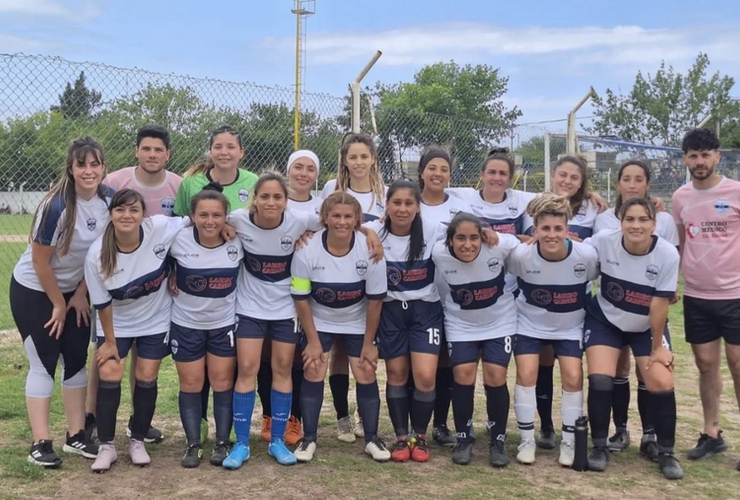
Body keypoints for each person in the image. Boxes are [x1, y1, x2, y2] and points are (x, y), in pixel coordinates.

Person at [10, 137, 111, 467]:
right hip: (35, 289)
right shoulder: (56, 205)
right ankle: (40, 442)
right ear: (71, 168)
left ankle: (76, 436)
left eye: (95, 164)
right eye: (81, 164)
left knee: (75, 357)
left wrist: (80, 294)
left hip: (74, 291)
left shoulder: (109, 201)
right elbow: (41, 262)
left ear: (103, 167)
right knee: (44, 359)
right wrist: (58, 303)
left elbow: (96, 257)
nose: (88, 171)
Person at [85, 124, 180, 444]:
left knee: (145, 361)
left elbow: (187, 226)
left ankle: (138, 424)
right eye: (146, 149)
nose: (152, 155)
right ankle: (93, 418)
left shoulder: (178, 186)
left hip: (152, 279)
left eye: (158, 150)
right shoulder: (114, 182)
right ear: (137, 151)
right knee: (106, 354)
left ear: (167, 154)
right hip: (115, 270)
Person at [84, 189, 189, 472]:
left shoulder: (160, 227)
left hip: (154, 320)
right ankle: (107, 446)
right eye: (120, 210)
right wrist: (109, 342)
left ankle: (137, 440)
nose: (127, 215)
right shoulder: (97, 254)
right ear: (111, 215)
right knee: (110, 371)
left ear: (144, 214)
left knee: (146, 375)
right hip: (115, 323)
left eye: (134, 210)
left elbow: (195, 220)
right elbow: (102, 304)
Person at [583, 198, 682, 479]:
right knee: (601, 377)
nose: (636, 225)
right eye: (630, 219)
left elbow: (659, 304)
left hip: (646, 325)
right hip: (606, 319)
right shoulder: (604, 241)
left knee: (660, 380)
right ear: (621, 222)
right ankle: (600, 446)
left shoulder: (666, 254)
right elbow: (576, 254)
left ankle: (665, 451)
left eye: (643, 220)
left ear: (654, 224)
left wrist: (656, 349)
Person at [291, 191, 390, 462]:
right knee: (313, 367)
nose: (342, 222)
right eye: (336, 215)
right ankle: (308, 438)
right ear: (325, 218)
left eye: (348, 216)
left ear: (358, 220)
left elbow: (375, 302)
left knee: (366, 371)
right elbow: (301, 299)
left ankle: (371, 438)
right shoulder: (306, 249)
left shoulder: (370, 249)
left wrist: (369, 344)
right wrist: (312, 342)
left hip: (357, 321)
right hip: (319, 319)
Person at [174, 125, 258, 441]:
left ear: (241, 152)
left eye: (230, 146)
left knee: (224, 375)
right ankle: (196, 437)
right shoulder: (190, 183)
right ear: (210, 151)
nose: (224, 152)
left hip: (231, 292)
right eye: (218, 146)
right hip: (191, 299)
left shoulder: (252, 183)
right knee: (195, 378)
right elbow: (180, 227)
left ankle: (223, 437)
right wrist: (173, 272)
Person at [506, 192, 598, 466]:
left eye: (558, 229)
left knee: (572, 376)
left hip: (569, 326)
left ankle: (569, 442)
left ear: (567, 230)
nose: (551, 235)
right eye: (545, 228)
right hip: (529, 323)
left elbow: (594, 278)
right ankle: (526, 439)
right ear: (535, 230)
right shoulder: (522, 255)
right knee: (527, 373)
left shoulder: (586, 255)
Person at [672, 128, 740, 467]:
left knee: (738, 364)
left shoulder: (736, 192)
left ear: (717, 156)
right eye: (693, 156)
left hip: (736, 294)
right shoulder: (681, 197)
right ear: (685, 159)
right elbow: (682, 243)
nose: (700, 162)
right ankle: (712, 434)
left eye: (705, 155)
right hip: (698, 296)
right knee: (705, 365)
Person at [365, 180, 445, 463]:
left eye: (408, 203)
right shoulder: (374, 230)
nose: (402, 209)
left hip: (425, 311)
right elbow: (344, 223)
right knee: (397, 374)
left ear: (418, 207)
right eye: (396, 203)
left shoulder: (434, 229)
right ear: (385, 206)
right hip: (391, 312)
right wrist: (367, 231)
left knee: (424, 376)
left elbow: (465, 231)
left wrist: (486, 232)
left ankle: (419, 436)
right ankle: (401, 437)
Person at [432, 212, 519, 467]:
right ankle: (463, 438)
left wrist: (490, 232)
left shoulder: (498, 244)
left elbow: (523, 242)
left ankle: (498, 440)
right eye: (460, 238)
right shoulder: (439, 253)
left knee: (496, 376)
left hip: (499, 321)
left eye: (473, 237)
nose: (467, 244)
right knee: (463, 375)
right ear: (450, 241)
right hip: (461, 323)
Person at [320, 133, 388, 442]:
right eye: (352, 157)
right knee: (337, 352)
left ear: (373, 158)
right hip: (338, 278)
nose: (358, 162)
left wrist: (370, 234)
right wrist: (363, 229)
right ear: (344, 161)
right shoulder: (331, 190)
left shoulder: (384, 194)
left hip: (369, 280)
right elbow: (327, 225)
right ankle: (342, 416)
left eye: (364, 156)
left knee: (360, 352)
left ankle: (363, 416)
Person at [169, 184, 241, 468]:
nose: (210, 221)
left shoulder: (237, 241)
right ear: (192, 216)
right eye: (203, 215)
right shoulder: (180, 239)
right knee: (191, 383)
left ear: (226, 217)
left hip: (223, 324)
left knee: (223, 382)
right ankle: (193, 444)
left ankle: (222, 441)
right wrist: (170, 275)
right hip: (186, 324)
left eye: (216, 215)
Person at [256, 150, 322, 448]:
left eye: (310, 168)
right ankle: (269, 415)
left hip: (300, 289)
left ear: (316, 175)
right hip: (262, 294)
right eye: (298, 167)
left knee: (293, 358)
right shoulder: (270, 201)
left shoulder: (319, 207)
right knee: (265, 358)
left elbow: (343, 222)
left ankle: (293, 417)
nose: (303, 173)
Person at [417, 148, 470, 447]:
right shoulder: (409, 203)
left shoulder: (461, 205)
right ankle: (417, 423)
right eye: (432, 168)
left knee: (448, 360)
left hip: (452, 294)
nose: (438, 173)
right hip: (421, 295)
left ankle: (441, 423)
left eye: (444, 169)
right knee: (421, 362)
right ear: (422, 172)